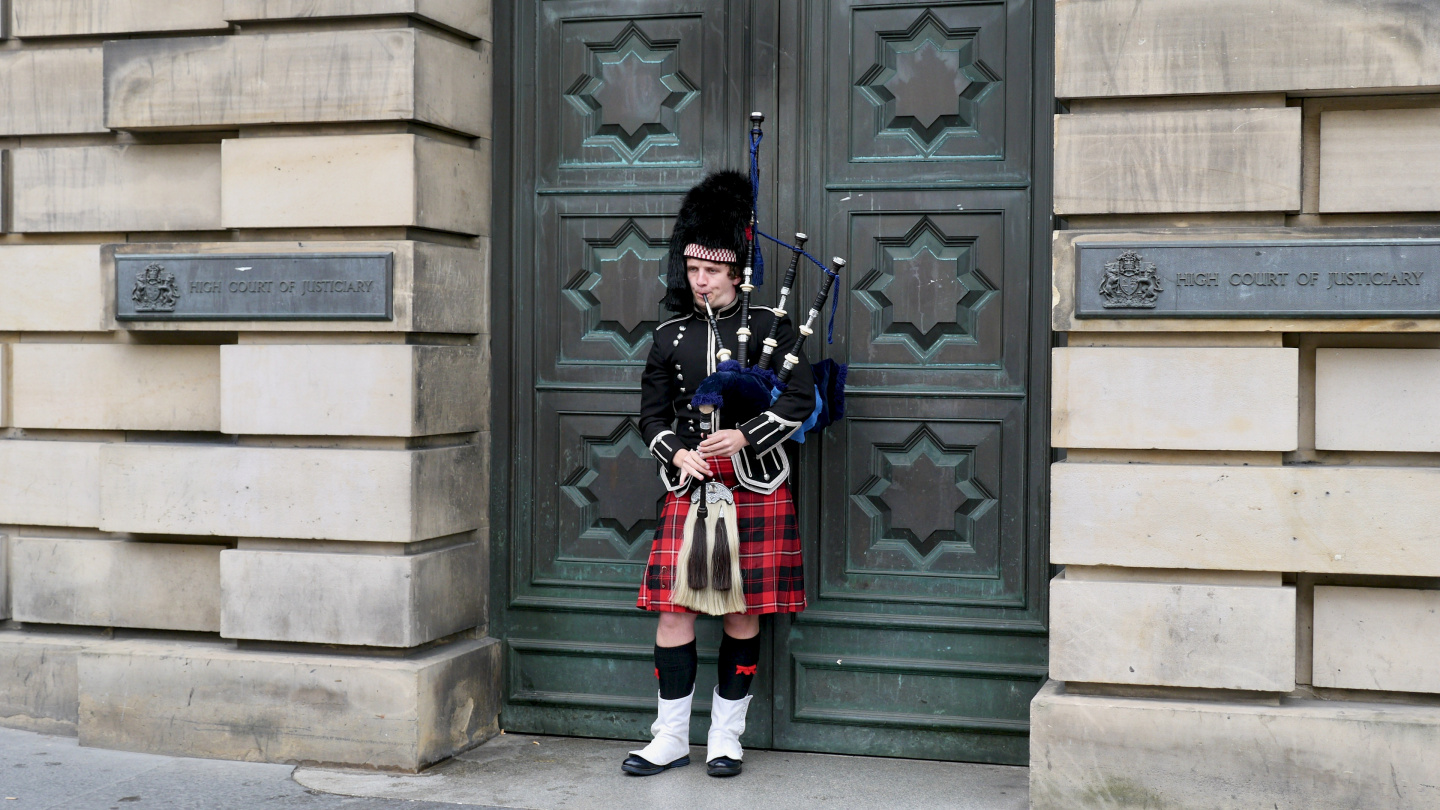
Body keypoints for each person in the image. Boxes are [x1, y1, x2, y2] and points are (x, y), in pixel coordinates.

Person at [623, 170, 816, 778]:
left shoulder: (772, 329)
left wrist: (744, 434)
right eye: (691, 268)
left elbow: (799, 400)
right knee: (675, 611)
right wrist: (675, 453)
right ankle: (670, 738)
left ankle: (727, 738)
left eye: (711, 270)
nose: (698, 280)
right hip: (691, 487)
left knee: (741, 612)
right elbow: (651, 414)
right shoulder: (667, 336)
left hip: (754, 483)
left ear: (737, 271)